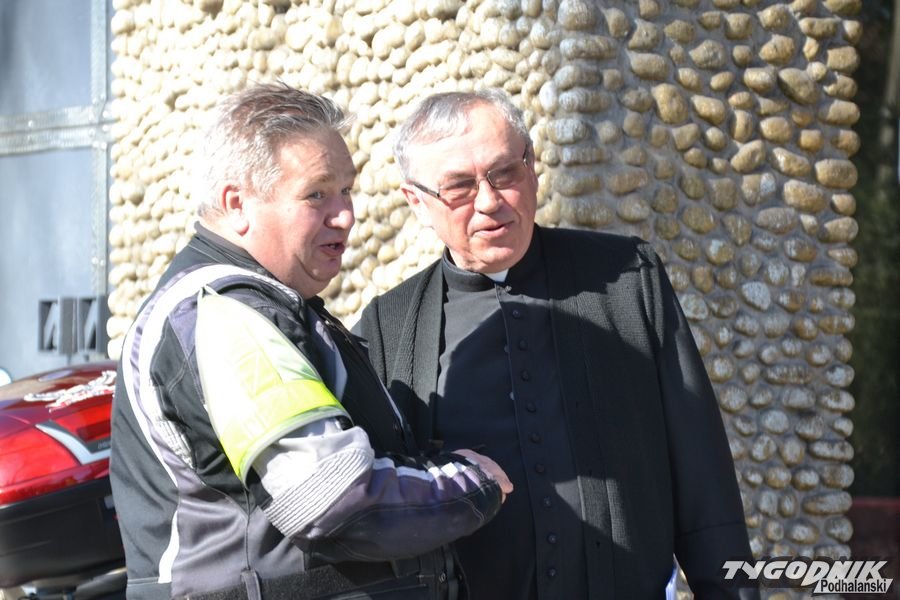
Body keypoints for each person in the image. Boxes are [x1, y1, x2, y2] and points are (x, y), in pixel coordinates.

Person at [109, 83, 512, 600]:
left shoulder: (261, 306)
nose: (345, 215)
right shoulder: (230, 317)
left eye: (346, 190)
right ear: (237, 204)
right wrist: (470, 484)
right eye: (316, 194)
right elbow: (332, 500)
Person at [356, 89, 756, 599]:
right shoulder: (388, 328)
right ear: (417, 200)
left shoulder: (627, 279)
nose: (489, 202)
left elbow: (701, 469)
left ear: (532, 167)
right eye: (458, 188)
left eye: (504, 173)